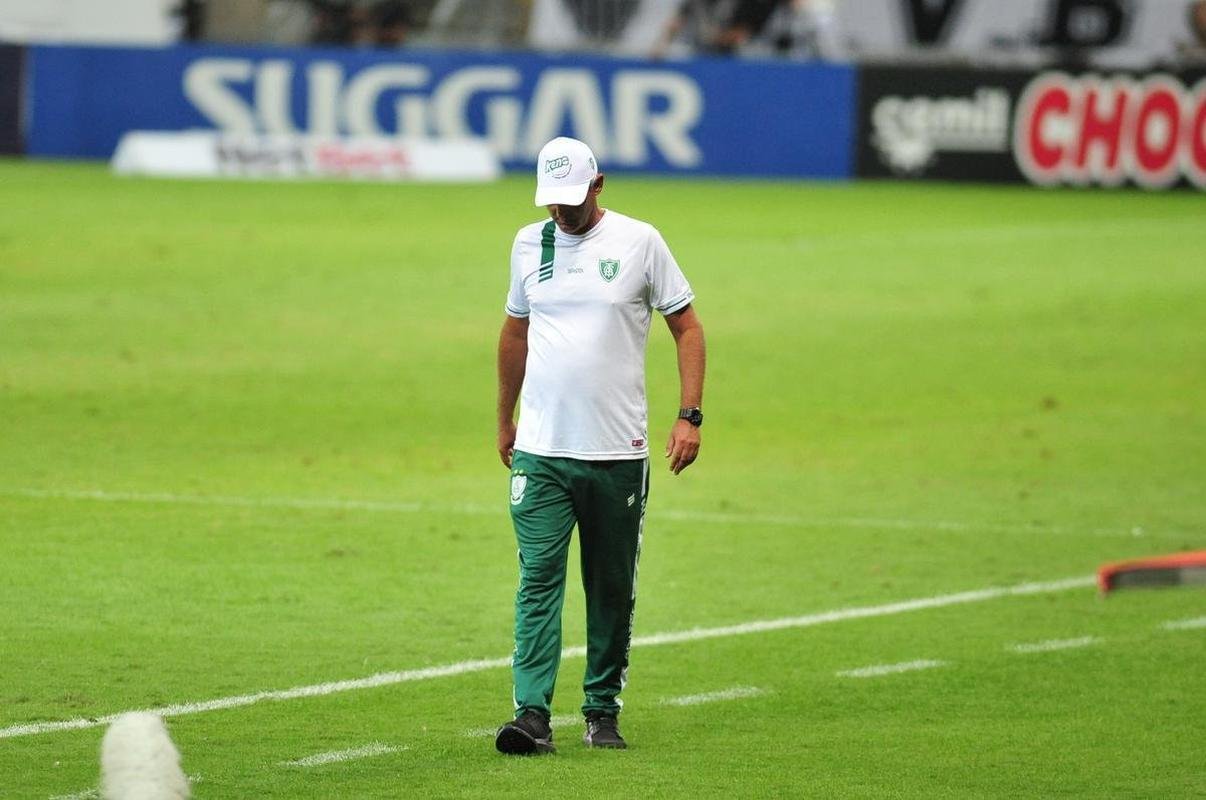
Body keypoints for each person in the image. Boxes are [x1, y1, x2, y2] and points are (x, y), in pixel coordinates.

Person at [494, 137, 706, 754]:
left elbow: (686, 327)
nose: (561, 211)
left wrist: (689, 415)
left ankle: (601, 709)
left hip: (618, 450)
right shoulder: (528, 243)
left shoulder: (641, 241)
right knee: (538, 576)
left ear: (599, 184)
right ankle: (531, 714)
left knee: (611, 585)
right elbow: (515, 332)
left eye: (572, 198)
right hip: (541, 448)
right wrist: (505, 418)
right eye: (551, 201)